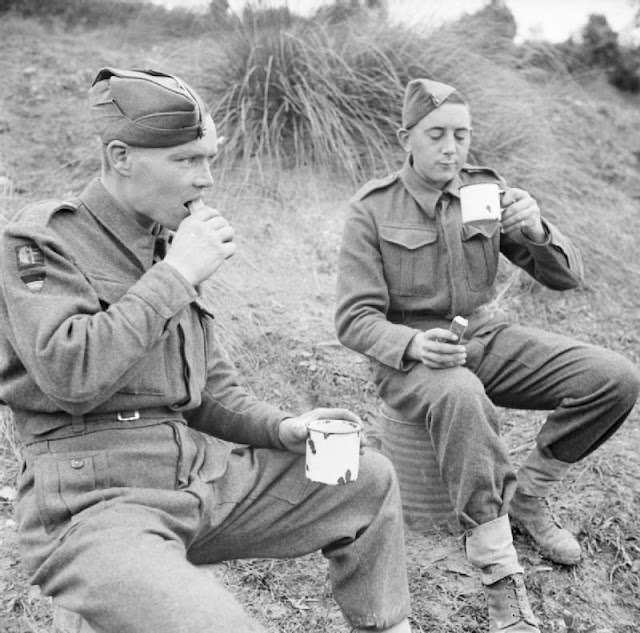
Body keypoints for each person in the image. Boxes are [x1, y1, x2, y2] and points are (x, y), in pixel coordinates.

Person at [0, 67, 414, 633]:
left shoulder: (167, 247)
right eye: (188, 160)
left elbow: (209, 392)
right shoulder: (44, 239)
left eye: (210, 159)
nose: (207, 178)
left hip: (193, 479)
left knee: (365, 481)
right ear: (122, 156)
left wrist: (284, 427)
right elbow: (69, 372)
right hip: (95, 502)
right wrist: (175, 275)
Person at [335, 78, 640, 633]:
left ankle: (530, 497)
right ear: (406, 137)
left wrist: (536, 227)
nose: (451, 148)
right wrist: (411, 343)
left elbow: (564, 278)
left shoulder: (484, 191)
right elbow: (353, 320)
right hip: (414, 359)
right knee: (461, 393)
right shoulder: (372, 210)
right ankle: (502, 581)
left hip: (482, 338)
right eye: (436, 135)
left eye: (461, 135)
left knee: (613, 377)